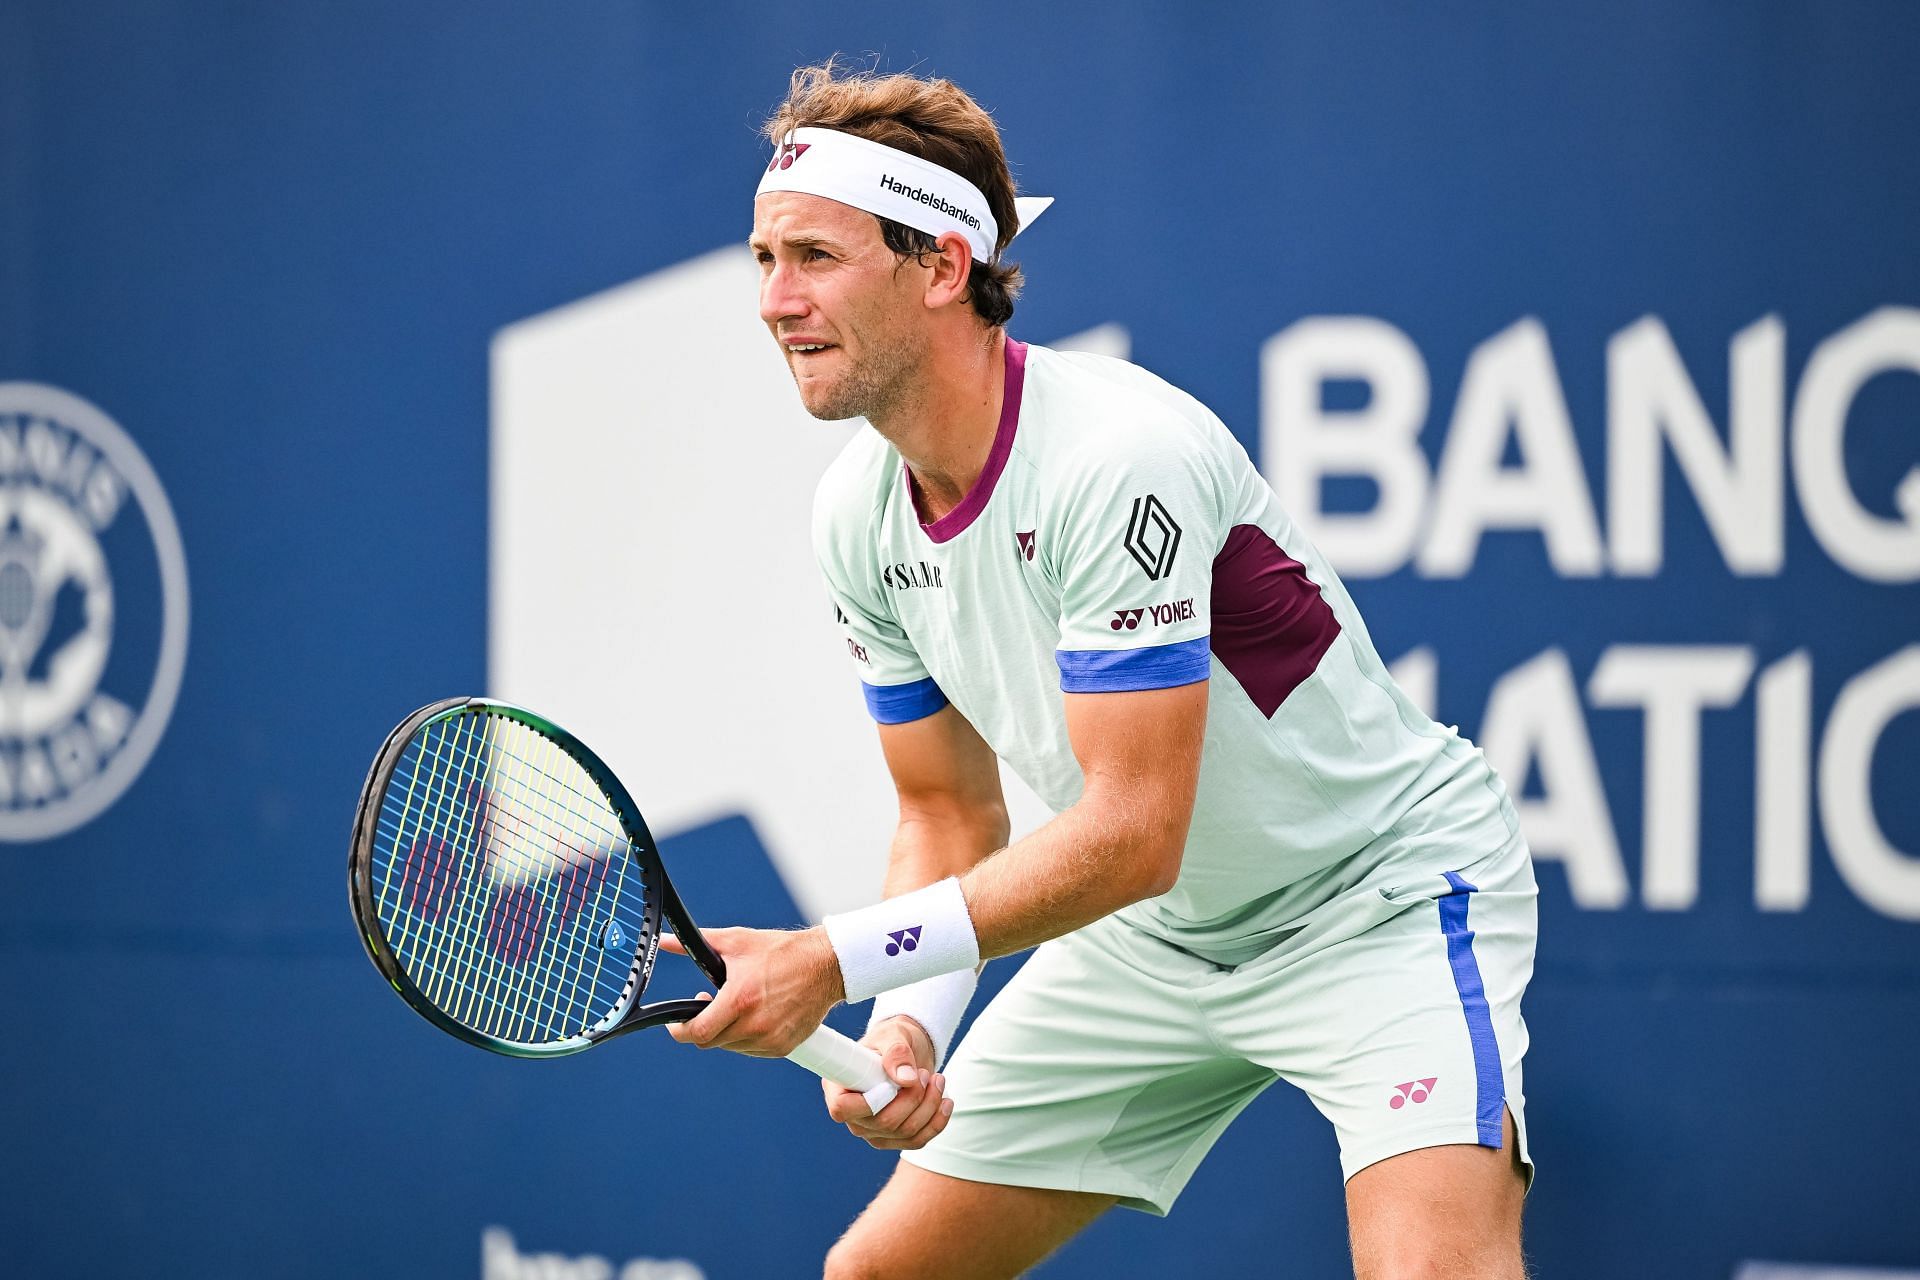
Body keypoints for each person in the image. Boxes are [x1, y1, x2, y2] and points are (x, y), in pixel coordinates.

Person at [664, 61, 1538, 1279]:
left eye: (814, 255)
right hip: (1148, 941)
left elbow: (1134, 830)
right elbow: (947, 810)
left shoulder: (1115, 457)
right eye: (764, 259)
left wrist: (832, 957)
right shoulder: (855, 513)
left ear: (942, 267)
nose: (774, 299)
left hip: (1370, 903)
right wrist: (908, 1022)